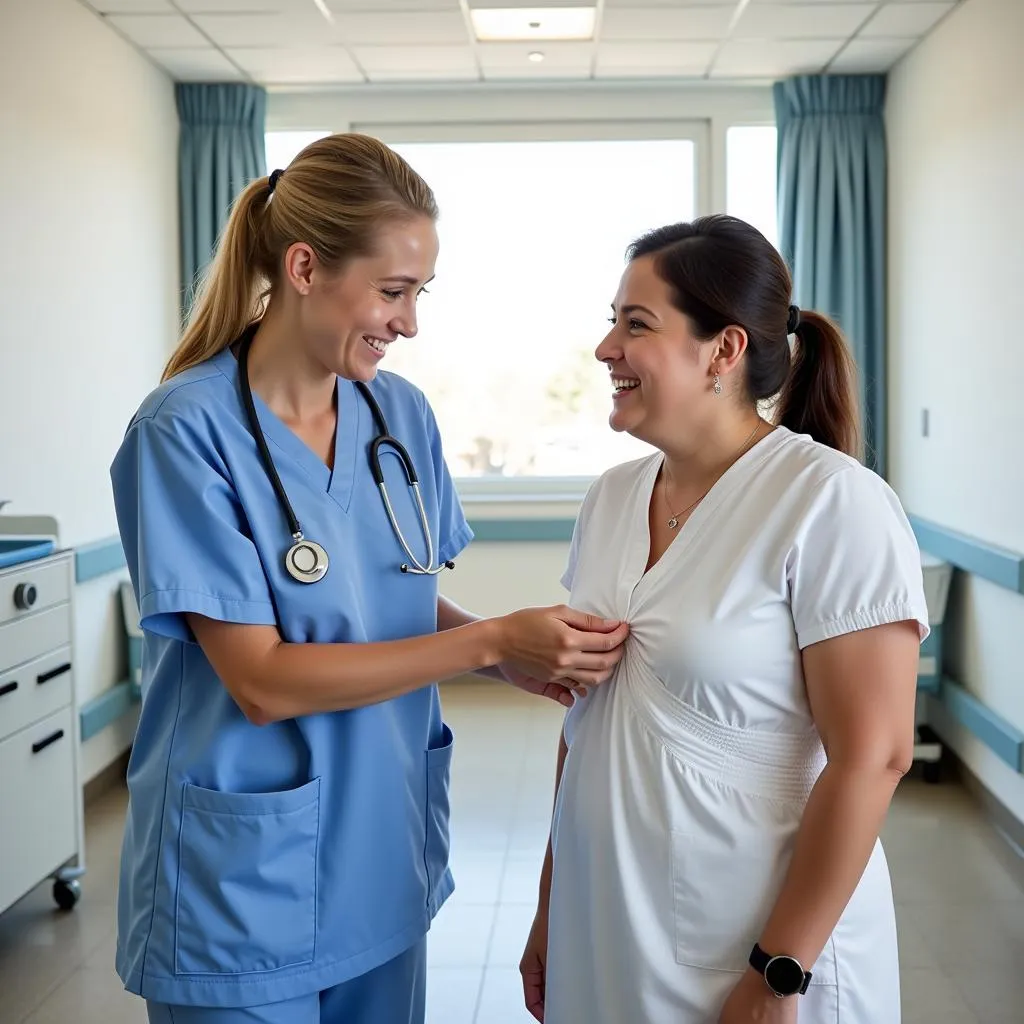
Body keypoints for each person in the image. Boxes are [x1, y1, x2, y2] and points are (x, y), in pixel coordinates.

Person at [109, 132, 629, 1024]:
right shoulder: (183, 433)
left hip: (379, 855)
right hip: (242, 883)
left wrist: (502, 659)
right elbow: (261, 679)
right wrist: (489, 640)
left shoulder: (401, 415)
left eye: (419, 294)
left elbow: (383, 587)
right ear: (305, 266)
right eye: (393, 292)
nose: (410, 322)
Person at [520, 214, 929, 1024]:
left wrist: (778, 973)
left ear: (724, 350)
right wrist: (549, 909)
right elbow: (587, 727)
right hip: (608, 929)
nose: (607, 349)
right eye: (612, 322)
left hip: (757, 949)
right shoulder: (611, 500)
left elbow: (873, 757)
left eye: (636, 325)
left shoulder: (831, 502)